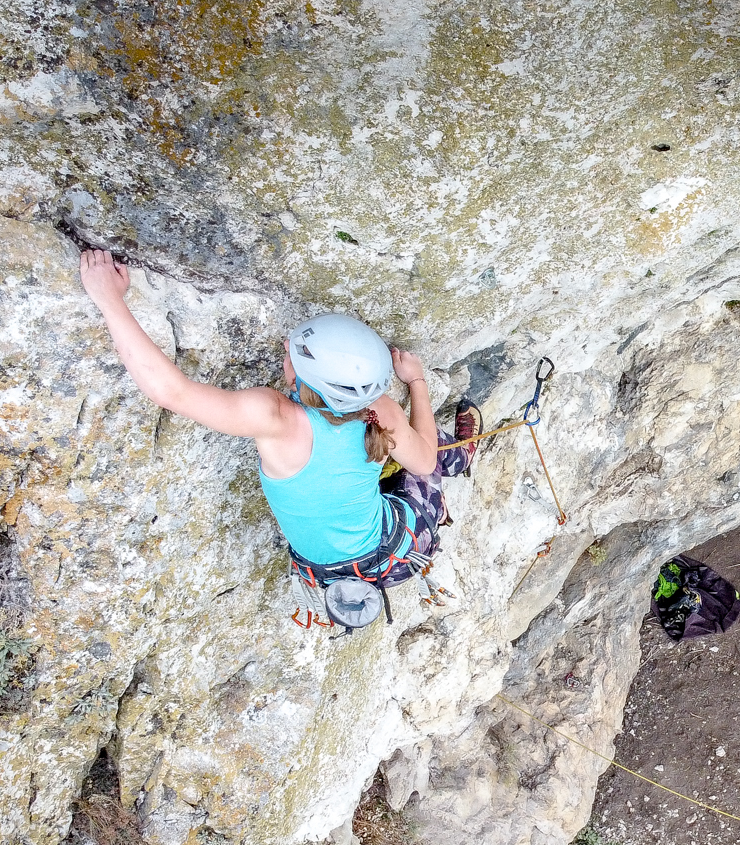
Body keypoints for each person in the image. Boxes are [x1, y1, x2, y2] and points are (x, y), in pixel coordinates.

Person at [78, 250, 479, 615]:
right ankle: (458, 459)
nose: (285, 348)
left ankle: (460, 457)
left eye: (291, 352)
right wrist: (417, 381)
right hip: (399, 553)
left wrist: (108, 299)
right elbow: (424, 460)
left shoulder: (275, 418)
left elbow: (172, 392)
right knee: (431, 447)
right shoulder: (381, 411)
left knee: (421, 453)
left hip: (327, 572)